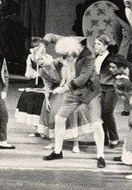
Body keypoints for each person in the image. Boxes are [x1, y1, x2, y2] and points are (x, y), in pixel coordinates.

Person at [42, 34, 106, 169]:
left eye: (67, 54)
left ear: (73, 50)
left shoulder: (88, 56)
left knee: (96, 124)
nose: (65, 57)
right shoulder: (67, 45)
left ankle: (101, 155)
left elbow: (82, 79)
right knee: (59, 118)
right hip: (74, 93)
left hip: (90, 92)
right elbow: (51, 37)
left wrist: (64, 88)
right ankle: (57, 151)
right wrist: (43, 46)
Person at [36, 39, 93, 154]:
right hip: (58, 91)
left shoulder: (63, 63)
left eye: (42, 59)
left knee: (74, 114)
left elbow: (77, 80)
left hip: (73, 91)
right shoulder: (43, 71)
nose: (41, 62)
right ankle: (53, 141)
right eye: (39, 60)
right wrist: (47, 98)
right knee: (52, 113)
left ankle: (75, 142)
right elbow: (48, 85)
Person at [14, 37, 48, 137]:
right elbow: (28, 72)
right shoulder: (31, 57)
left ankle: (43, 129)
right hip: (34, 82)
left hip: (45, 83)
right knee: (29, 100)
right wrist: (33, 74)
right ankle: (37, 129)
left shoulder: (48, 58)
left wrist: (42, 73)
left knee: (41, 104)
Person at [94, 34, 119, 148]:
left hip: (110, 88)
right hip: (100, 87)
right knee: (99, 113)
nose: (96, 46)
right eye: (95, 44)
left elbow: (118, 72)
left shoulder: (112, 58)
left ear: (105, 46)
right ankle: (103, 138)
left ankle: (114, 138)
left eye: (98, 44)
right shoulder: (96, 57)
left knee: (107, 113)